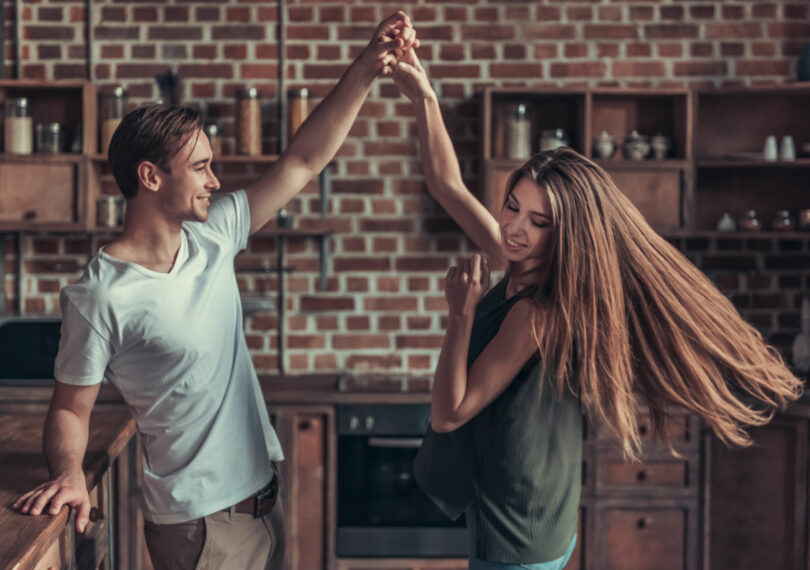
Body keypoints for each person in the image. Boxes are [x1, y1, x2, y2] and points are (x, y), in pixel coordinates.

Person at [12, 12, 417, 570]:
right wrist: (69, 473)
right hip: (200, 529)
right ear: (151, 177)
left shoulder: (213, 236)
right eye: (200, 167)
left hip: (260, 504)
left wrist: (366, 68)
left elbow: (303, 160)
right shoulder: (101, 294)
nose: (215, 181)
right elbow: (70, 409)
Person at [392, 51, 803, 569]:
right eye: (512, 206)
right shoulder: (517, 260)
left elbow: (449, 415)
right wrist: (424, 97)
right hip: (532, 505)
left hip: (518, 528)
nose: (515, 228)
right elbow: (446, 186)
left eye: (538, 221)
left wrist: (460, 314)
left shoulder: (538, 313)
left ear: (565, 232)